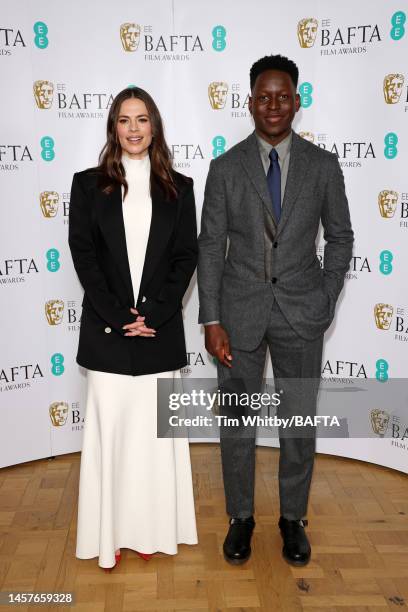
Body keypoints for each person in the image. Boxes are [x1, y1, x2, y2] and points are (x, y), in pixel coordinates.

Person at [197, 55, 353, 566]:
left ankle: (292, 518)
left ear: (297, 102)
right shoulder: (224, 168)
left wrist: (327, 298)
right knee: (238, 423)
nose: (273, 105)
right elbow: (210, 246)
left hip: (302, 315)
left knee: (298, 421)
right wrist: (211, 318)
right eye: (263, 96)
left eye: (282, 96)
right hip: (238, 316)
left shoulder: (323, 166)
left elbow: (340, 237)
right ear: (249, 103)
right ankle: (241, 517)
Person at [69, 87, 198, 570]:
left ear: (155, 126)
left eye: (142, 119)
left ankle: (152, 532)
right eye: (125, 120)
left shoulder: (179, 188)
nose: (134, 129)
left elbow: (186, 257)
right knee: (115, 439)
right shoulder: (86, 186)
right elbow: (85, 259)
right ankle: (111, 536)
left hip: (159, 335)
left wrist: (156, 315)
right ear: (113, 128)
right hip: (107, 336)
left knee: (151, 441)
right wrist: (121, 317)